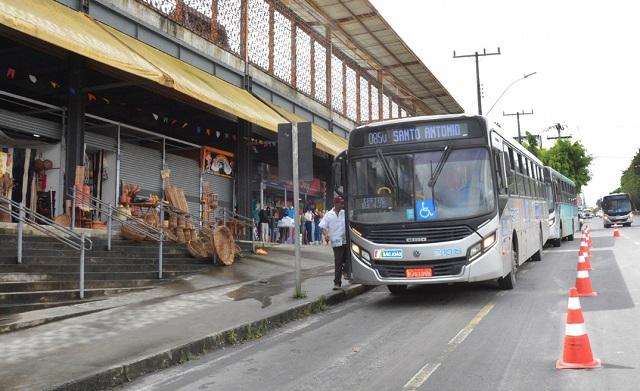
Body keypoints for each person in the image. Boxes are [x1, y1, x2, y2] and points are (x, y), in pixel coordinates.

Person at [319, 195, 351, 290]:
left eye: (343, 203)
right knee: (338, 262)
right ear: (336, 204)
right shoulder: (329, 215)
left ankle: (346, 272)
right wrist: (326, 235)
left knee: (350, 257)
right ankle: (337, 283)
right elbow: (323, 227)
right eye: (340, 203)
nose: (342, 205)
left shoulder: (344, 213)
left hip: (346, 240)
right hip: (336, 241)